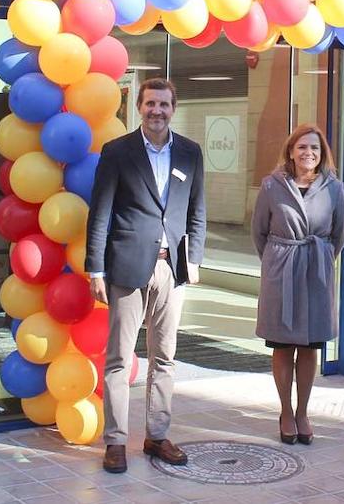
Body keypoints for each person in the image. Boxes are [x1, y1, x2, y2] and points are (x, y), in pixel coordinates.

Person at [85, 77, 206, 474]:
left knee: (165, 357)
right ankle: (116, 441)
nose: (157, 111)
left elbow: (196, 212)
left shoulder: (190, 153)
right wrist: (96, 269)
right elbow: (100, 212)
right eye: (150, 104)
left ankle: (156, 435)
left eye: (164, 105)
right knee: (120, 358)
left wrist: (195, 260)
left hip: (172, 269)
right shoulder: (118, 151)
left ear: (174, 109)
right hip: (125, 267)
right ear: (139, 107)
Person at [251, 124, 344, 445]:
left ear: (323, 155)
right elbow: (259, 233)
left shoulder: (334, 188)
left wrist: (318, 258)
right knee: (283, 343)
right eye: (303, 147)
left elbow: (339, 236)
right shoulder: (271, 186)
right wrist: (279, 261)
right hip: (282, 269)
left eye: (315, 148)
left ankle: (303, 411)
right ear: (291, 151)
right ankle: (285, 412)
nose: (309, 153)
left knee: (309, 345)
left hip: (316, 272)